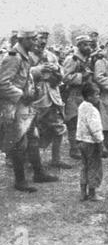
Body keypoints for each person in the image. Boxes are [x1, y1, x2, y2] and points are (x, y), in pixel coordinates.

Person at [0, 30, 58, 192]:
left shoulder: (23, 55)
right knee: (19, 142)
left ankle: (39, 173)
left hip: (26, 105)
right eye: (32, 39)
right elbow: (3, 83)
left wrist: (32, 91)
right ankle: (20, 181)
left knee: (33, 138)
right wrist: (22, 95)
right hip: (15, 106)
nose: (35, 42)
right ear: (23, 40)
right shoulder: (13, 56)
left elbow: (24, 78)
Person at [30, 30, 71, 169]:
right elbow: (23, 75)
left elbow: (62, 74)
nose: (42, 41)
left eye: (45, 39)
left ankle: (56, 159)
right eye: (40, 38)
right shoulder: (27, 55)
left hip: (53, 96)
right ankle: (27, 160)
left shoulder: (51, 55)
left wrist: (57, 69)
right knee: (31, 130)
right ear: (33, 39)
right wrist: (38, 69)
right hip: (35, 98)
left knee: (59, 127)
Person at [62, 35, 93, 159]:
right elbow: (65, 78)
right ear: (79, 46)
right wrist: (82, 76)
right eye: (85, 44)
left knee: (84, 122)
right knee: (73, 122)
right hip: (73, 95)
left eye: (89, 44)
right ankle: (74, 149)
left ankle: (82, 146)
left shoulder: (86, 59)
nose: (88, 47)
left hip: (84, 94)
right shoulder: (72, 59)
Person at [76, 82, 104, 202]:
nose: (98, 97)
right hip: (91, 143)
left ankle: (83, 192)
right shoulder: (92, 110)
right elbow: (95, 128)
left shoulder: (81, 106)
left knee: (84, 166)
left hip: (81, 141)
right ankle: (92, 193)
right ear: (89, 97)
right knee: (94, 167)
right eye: (96, 95)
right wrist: (100, 141)